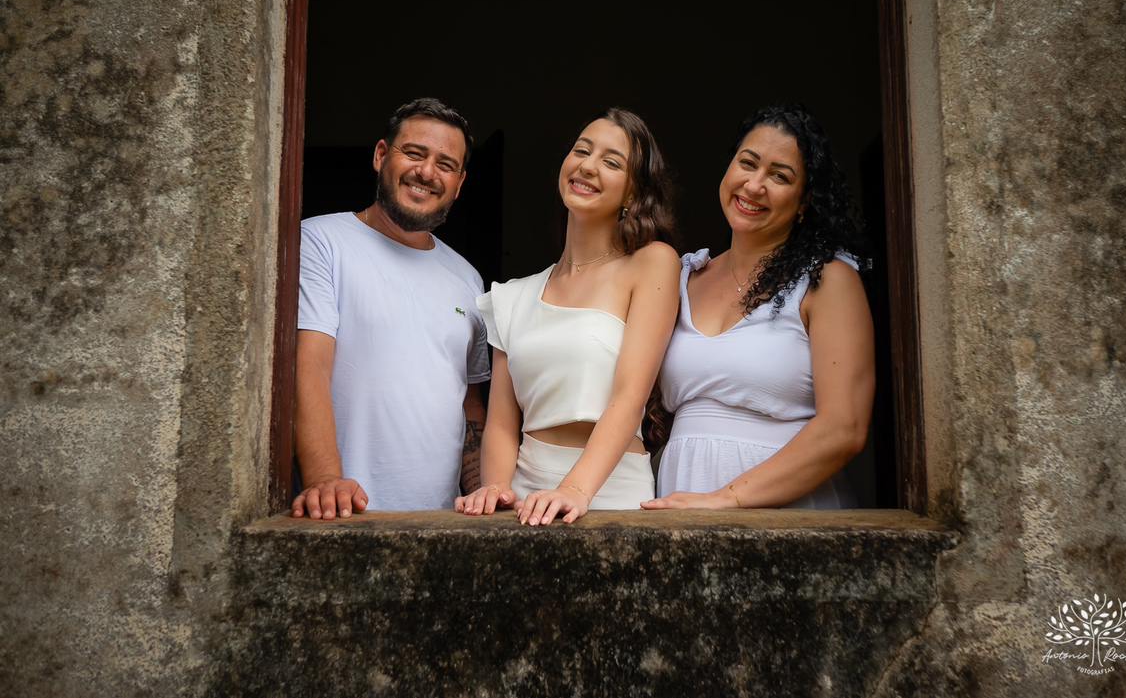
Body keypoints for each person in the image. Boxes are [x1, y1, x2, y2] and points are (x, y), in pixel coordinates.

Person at [641, 102, 873, 511]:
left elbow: (845, 428)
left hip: (791, 513)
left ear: (804, 201)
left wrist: (725, 498)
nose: (754, 185)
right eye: (747, 163)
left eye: (779, 176)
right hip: (681, 499)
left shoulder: (827, 280)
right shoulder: (680, 277)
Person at [455, 108, 679, 525]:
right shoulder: (512, 296)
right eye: (582, 150)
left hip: (608, 487)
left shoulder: (652, 264)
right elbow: (503, 423)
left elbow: (630, 396)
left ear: (633, 193)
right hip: (524, 493)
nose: (588, 166)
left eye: (611, 162)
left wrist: (575, 489)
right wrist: (496, 489)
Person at [292, 98, 490, 518]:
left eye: (445, 164)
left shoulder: (469, 279)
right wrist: (325, 480)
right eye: (414, 153)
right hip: (345, 514)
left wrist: (484, 493)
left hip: (442, 523)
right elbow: (308, 366)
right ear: (381, 156)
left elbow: (468, 401)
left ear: (459, 183)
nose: (426, 172)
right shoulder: (321, 241)